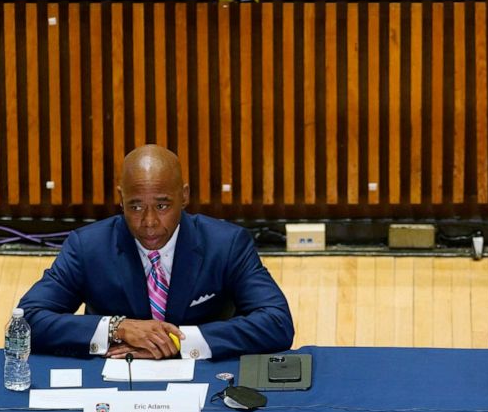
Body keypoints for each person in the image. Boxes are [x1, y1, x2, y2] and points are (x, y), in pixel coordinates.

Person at [19, 144, 294, 360]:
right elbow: (27, 320)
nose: (149, 222)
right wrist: (117, 328)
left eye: (162, 206)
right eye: (136, 206)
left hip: (205, 380)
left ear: (184, 196)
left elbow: (277, 322)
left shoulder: (226, 244)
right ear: (121, 199)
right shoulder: (89, 247)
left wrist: (176, 342)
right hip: (112, 381)